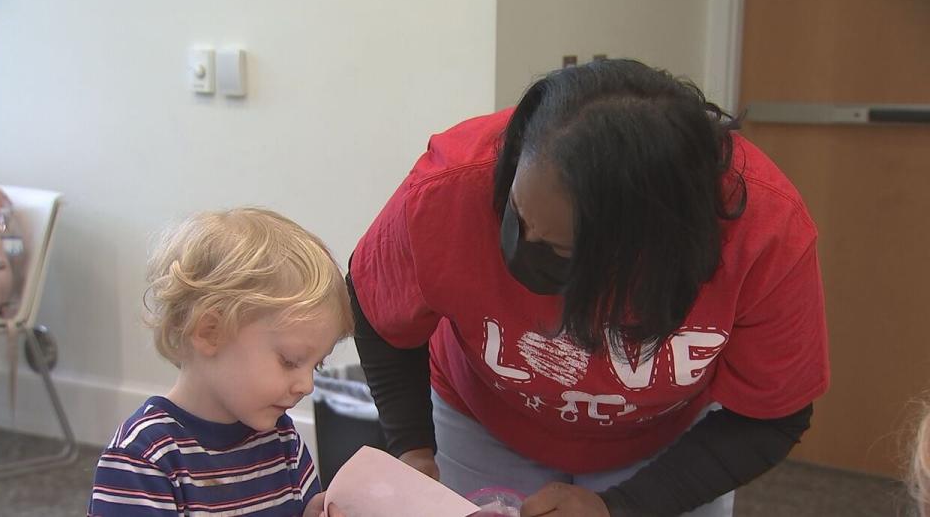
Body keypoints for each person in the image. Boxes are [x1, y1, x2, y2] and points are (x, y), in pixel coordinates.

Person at [348, 59, 829, 516]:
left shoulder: (766, 234)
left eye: (558, 248)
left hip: (665, 446)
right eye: (517, 214)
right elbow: (376, 308)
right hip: (482, 418)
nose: (524, 246)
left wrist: (621, 506)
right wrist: (411, 448)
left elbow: (772, 416)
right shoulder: (450, 187)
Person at [88, 208, 350, 517]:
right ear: (210, 332)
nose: (307, 385)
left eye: (315, 366)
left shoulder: (283, 441)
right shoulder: (144, 456)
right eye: (290, 361)